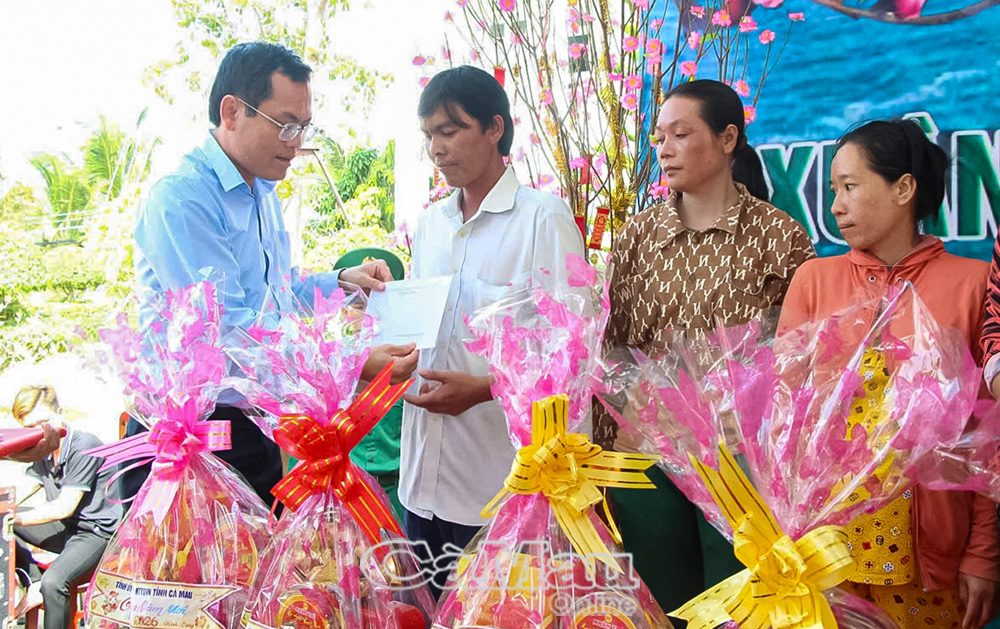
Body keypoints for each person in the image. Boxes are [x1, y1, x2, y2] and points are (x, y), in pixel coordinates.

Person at [127, 42, 418, 508]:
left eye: (303, 127)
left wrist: (343, 281)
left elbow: (278, 296)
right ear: (232, 112)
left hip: (250, 416)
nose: (296, 142)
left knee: (256, 570)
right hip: (192, 437)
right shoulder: (183, 200)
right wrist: (351, 363)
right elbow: (227, 334)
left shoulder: (262, 192)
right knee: (197, 577)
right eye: (285, 125)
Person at [596, 79, 815, 613]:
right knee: (661, 603)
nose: (664, 149)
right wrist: (601, 458)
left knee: (737, 606)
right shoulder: (637, 236)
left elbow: (800, 356)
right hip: (644, 452)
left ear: (727, 138)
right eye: (658, 137)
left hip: (739, 456)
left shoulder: (779, 237)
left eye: (681, 134)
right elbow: (612, 346)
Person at [778, 119, 1000, 629]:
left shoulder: (972, 284)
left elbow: (987, 439)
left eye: (850, 187)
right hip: (822, 552)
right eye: (833, 189)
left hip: (933, 561)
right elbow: (782, 425)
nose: (835, 205)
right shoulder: (814, 280)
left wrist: (984, 553)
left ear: (903, 188)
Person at [399, 65, 585, 593]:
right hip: (422, 483)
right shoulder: (432, 225)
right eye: (428, 134)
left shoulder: (542, 220)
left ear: (494, 129)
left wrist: (484, 391)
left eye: (450, 130)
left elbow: (571, 357)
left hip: (501, 487)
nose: (436, 147)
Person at [11, 385, 122, 629]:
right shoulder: (42, 449)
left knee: (55, 582)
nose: (37, 431)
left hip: (97, 534)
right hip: (68, 530)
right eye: (29, 428)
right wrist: (7, 510)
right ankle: (32, 581)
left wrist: (12, 518)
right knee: (1, 522)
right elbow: (26, 490)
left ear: (60, 414)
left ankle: (44, 586)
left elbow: (63, 507)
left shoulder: (84, 445)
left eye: (42, 422)